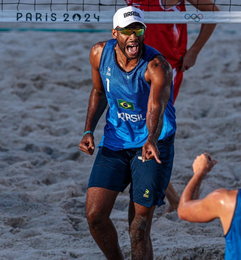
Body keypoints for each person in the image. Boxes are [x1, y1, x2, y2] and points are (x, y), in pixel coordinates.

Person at [78, 6, 176, 260]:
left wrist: (151, 139)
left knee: (139, 227)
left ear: (144, 32)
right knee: (95, 216)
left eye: (138, 29)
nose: (133, 36)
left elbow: (156, 107)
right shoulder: (99, 53)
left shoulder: (157, 66)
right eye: (126, 31)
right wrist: (88, 129)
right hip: (115, 140)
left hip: (152, 143)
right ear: (115, 33)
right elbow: (99, 92)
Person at [126, 0, 220, 212]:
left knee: (151, 132)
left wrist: (194, 50)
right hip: (135, 66)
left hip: (166, 69)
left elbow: (213, 12)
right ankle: (173, 199)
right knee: (140, 133)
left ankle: (172, 199)